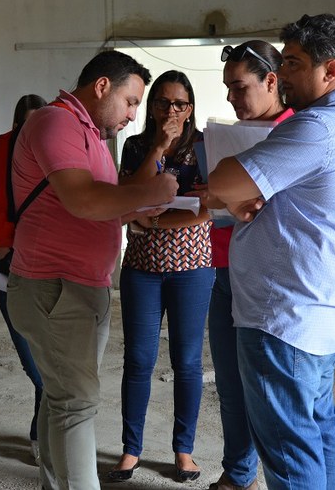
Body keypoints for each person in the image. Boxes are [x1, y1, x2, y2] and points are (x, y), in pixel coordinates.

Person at [200, 14, 335, 490]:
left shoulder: (318, 127)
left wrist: (233, 183)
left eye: (295, 64)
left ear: (331, 69)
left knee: (289, 452)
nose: (285, 75)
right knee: (320, 434)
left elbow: (221, 183)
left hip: (283, 317)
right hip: (317, 313)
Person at [6, 50, 179, 490]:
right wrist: (148, 190)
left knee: (61, 399)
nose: (133, 114)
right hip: (58, 289)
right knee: (76, 404)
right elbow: (83, 200)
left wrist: (137, 201)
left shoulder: (89, 134)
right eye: (131, 101)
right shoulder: (56, 122)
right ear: (102, 86)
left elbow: (96, 209)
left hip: (72, 288)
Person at [107, 70, 213, 483]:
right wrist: (161, 145)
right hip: (142, 270)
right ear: (151, 107)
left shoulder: (205, 144)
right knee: (138, 360)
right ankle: (131, 450)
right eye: (163, 102)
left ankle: (183, 451)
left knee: (187, 362)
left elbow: (207, 210)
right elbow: (128, 197)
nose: (171, 110)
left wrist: (151, 220)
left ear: (190, 109)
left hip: (192, 269)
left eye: (179, 104)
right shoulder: (136, 145)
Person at [207, 41, 294, 490]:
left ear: (272, 81)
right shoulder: (231, 133)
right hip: (221, 267)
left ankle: (270, 472)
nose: (231, 99)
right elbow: (217, 200)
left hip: (267, 279)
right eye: (227, 88)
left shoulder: (297, 133)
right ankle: (239, 471)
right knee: (229, 383)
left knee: (267, 389)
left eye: (239, 88)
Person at [0, 93, 48, 464]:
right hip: (11, 271)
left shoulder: (52, 150)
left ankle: (42, 433)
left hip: (52, 271)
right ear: (17, 125)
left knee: (52, 364)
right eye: (28, 125)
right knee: (37, 367)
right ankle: (42, 436)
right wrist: (12, 251)